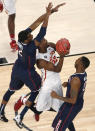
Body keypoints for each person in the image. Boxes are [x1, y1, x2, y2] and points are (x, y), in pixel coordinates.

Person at [0, 2, 65, 124]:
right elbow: (43, 30)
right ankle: (28, 109)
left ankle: (1, 110)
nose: (31, 35)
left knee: (10, 89)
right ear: (27, 40)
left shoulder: (22, 37)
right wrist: (47, 15)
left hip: (17, 68)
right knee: (37, 90)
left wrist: (49, 13)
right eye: (30, 36)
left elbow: (36, 22)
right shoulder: (30, 47)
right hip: (27, 72)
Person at [51, 56, 90, 131]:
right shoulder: (83, 73)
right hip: (77, 103)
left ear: (81, 65)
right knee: (67, 120)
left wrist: (57, 96)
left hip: (72, 106)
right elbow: (79, 86)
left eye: (78, 60)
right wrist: (69, 84)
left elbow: (73, 100)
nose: (76, 60)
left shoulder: (75, 80)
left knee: (58, 127)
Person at [36, 38, 69, 112]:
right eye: (42, 40)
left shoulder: (50, 45)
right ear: (39, 46)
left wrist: (65, 50)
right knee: (39, 108)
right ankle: (24, 99)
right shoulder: (40, 60)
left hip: (57, 81)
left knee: (60, 108)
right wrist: (62, 56)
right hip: (47, 84)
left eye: (44, 38)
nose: (45, 39)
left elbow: (61, 49)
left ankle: (55, 107)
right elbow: (58, 69)